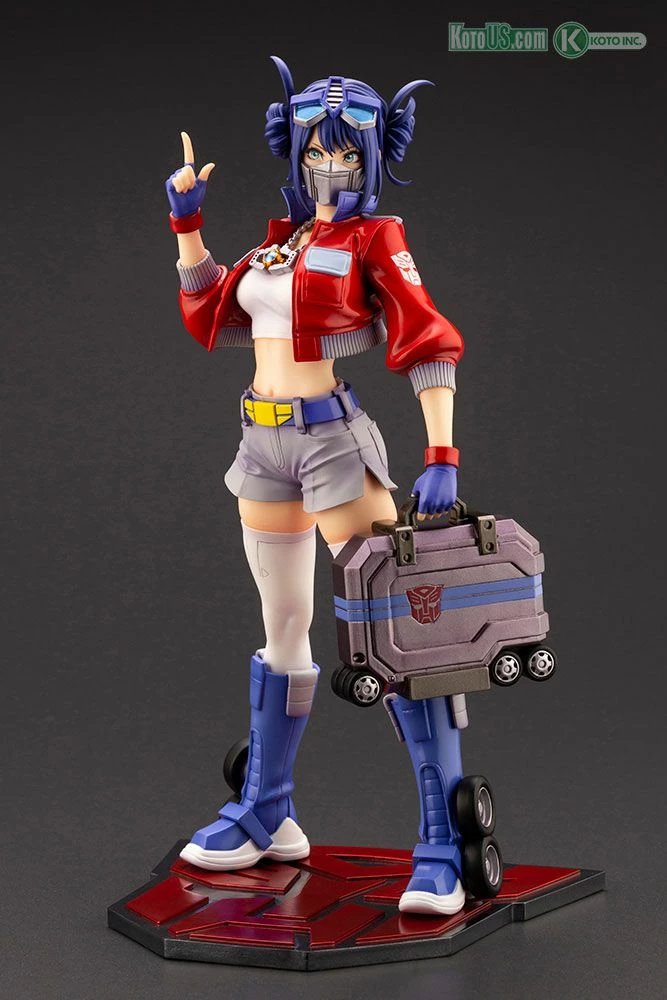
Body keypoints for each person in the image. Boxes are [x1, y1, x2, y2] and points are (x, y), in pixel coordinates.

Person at [165, 57, 467, 915]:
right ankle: (267, 810)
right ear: (293, 154)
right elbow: (214, 315)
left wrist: (441, 454)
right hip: (261, 443)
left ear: (369, 160)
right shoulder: (278, 243)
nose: (327, 167)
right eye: (313, 153)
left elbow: (426, 336)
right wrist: (187, 224)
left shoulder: (376, 239)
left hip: (332, 443)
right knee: (284, 628)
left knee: (389, 637)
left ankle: (442, 842)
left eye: (343, 154)